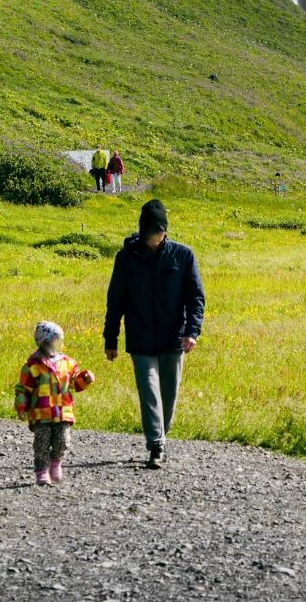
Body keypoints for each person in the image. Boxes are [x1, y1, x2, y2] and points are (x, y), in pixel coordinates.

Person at [104, 200, 204, 470]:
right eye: (146, 235)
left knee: (168, 396)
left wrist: (192, 332)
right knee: (149, 392)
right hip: (141, 340)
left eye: (155, 235)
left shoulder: (183, 256)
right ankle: (156, 445)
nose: (150, 240)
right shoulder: (125, 258)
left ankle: (161, 434)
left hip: (174, 339)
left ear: (164, 232)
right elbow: (116, 300)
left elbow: (195, 297)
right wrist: (110, 339)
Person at [14, 320, 96, 486]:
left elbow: (74, 383)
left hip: (63, 412)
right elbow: (23, 388)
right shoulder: (32, 365)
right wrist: (21, 406)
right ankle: (42, 471)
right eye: (55, 340)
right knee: (41, 443)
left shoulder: (68, 363)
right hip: (41, 413)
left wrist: (85, 379)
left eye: (60, 340)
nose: (59, 344)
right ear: (44, 343)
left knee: (63, 441)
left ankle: (55, 462)